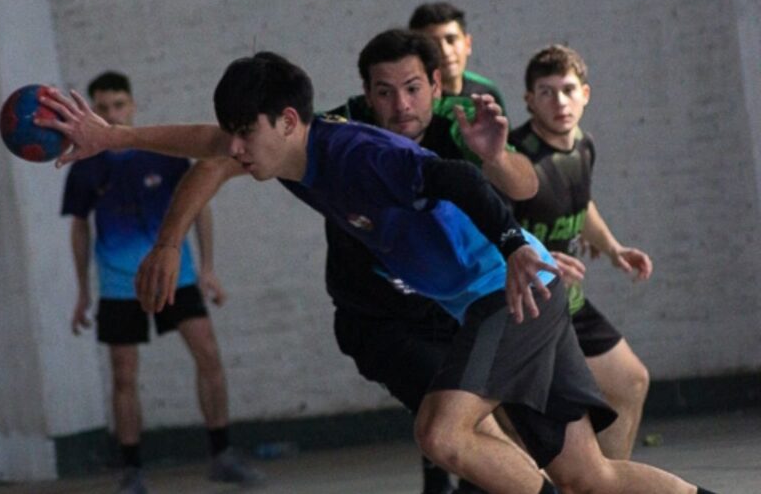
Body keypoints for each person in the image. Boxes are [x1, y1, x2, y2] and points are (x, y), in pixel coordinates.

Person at [43, 54, 716, 494]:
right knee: (588, 474)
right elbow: (207, 143)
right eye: (233, 136)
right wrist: (116, 137)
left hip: (509, 293)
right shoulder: (284, 156)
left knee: (440, 433)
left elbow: (453, 175)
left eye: (247, 134)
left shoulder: (358, 155)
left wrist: (514, 246)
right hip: (506, 297)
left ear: (287, 120)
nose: (235, 151)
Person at [327, 29, 542, 494]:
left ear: (437, 86)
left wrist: (497, 156)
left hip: (460, 308)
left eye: (413, 89)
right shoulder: (340, 131)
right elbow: (229, 150)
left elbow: (525, 187)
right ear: (367, 96)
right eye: (384, 92)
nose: (400, 105)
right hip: (383, 316)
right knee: (459, 435)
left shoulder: (460, 124)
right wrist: (169, 241)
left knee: (568, 454)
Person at [60, 71, 264, 494]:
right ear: (94, 110)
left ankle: (221, 454)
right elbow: (79, 229)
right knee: (124, 376)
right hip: (119, 284)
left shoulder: (163, 154)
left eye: (118, 105)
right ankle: (132, 470)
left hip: (179, 276)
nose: (111, 113)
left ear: (131, 106)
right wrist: (82, 291)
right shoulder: (83, 164)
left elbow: (200, 205)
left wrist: (207, 268)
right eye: (102, 107)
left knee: (208, 354)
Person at [509, 45, 652, 460]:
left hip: (567, 302)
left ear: (585, 94)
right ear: (529, 100)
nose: (560, 102)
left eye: (568, 90)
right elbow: (492, 228)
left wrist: (612, 248)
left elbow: (580, 202)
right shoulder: (515, 159)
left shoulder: (583, 146)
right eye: (546, 92)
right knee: (527, 430)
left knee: (631, 381)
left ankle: (606, 484)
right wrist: (538, 259)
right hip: (523, 308)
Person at [409, 2, 505, 107]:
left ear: (467, 44)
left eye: (451, 40)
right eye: (433, 44)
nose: (445, 51)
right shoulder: (410, 99)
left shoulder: (487, 92)